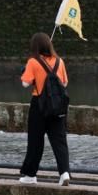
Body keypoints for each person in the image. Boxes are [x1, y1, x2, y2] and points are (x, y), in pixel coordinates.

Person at [18, 32, 70, 185]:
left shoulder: (33, 62)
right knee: (59, 140)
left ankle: (30, 175)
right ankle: (64, 173)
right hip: (57, 106)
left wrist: (26, 74)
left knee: (35, 141)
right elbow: (64, 83)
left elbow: (25, 84)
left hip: (39, 105)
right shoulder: (60, 61)